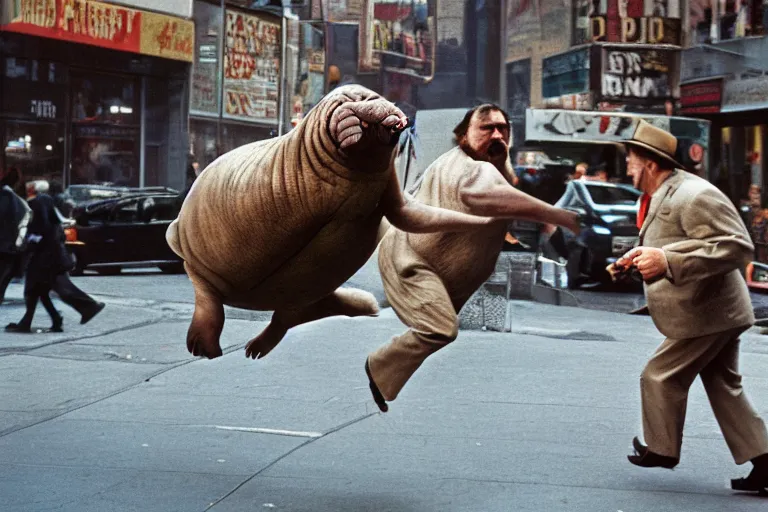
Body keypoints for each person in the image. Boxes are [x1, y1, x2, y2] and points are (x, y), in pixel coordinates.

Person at [364, 104, 581, 412]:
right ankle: (379, 367)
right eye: (486, 128)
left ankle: (384, 377)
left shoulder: (491, 166)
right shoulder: (468, 168)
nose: (496, 134)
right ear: (463, 136)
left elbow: (504, 191)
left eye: (502, 129)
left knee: (440, 327)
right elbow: (491, 195)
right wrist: (558, 215)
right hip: (412, 264)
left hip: (439, 269)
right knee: (440, 328)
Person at [607, 120, 768, 494]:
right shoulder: (661, 194)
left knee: (659, 375)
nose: (626, 167)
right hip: (715, 310)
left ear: (648, 162)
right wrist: (635, 262)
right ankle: (764, 465)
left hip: (710, 313)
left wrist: (667, 261)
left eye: (630, 160)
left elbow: (737, 246)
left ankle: (661, 449)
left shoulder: (694, 194)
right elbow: (677, 244)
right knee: (724, 386)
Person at [6, 181, 105, 333]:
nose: (26, 188)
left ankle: (89, 306)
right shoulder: (44, 201)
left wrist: (32, 239)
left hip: (46, 258)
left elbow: (43, 227)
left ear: (33, 189)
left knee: (43, 288)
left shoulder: (40, 201)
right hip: (48, 255)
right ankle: (52, 319)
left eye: (29, 186)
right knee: (41, 290)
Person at [0, 168, 31, 303]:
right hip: (6, 244)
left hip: (6, 243)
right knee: (6, 272)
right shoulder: (9, 197)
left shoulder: (7, 195)